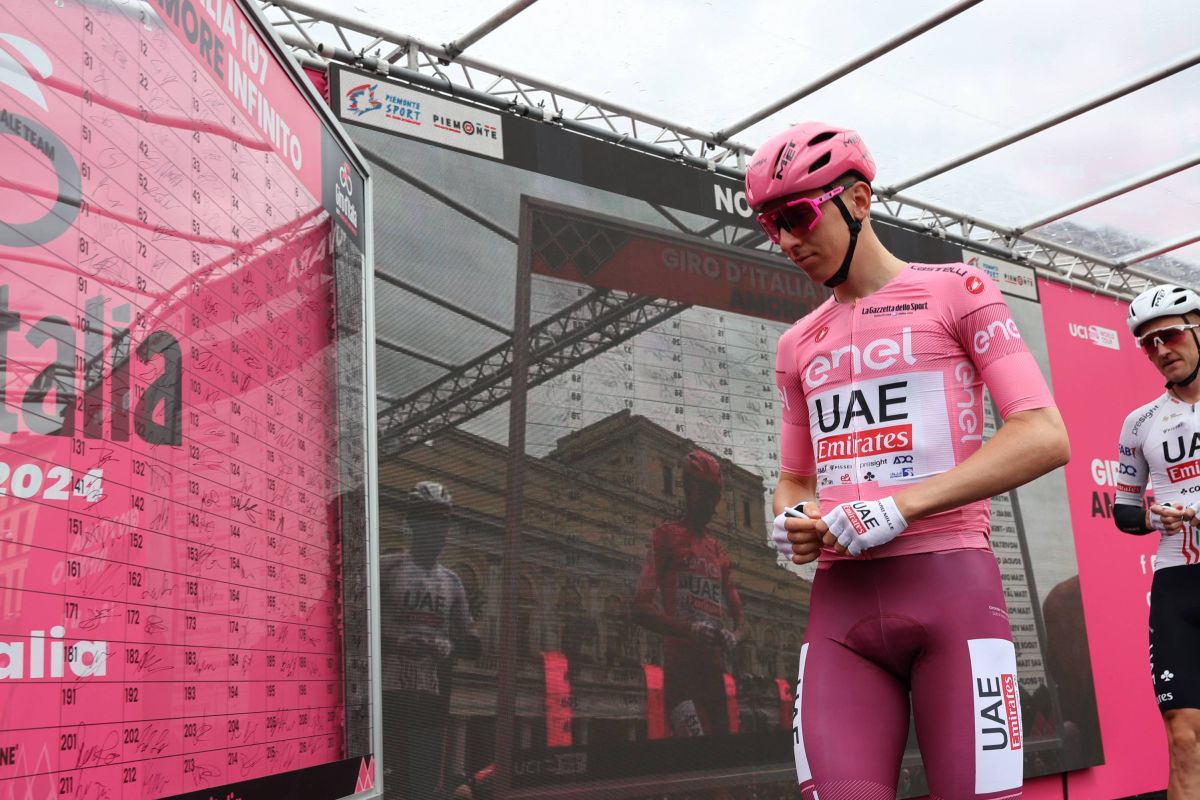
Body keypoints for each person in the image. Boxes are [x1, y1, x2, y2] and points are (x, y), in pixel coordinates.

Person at [751, 122, 1071, 799]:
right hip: (839, 611)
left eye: (798, 216)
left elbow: (1043, 434)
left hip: (953, 593)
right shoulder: (796, 344)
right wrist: (794, 518)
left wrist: (900, 507)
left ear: (858, 200)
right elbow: (795, 479)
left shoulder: (959, 290)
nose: (786, 240)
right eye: (770, 225)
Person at [1113, 284, 1200, 800]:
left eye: (1170, 335)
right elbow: (1124, 511)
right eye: (1149, 343)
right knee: (1184, 736)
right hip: (1176, 586)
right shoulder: (1139, 423)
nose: (1162, 349)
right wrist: (1152, 518)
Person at [633, 449, 749, 737]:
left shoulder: (718, 552)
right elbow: (640, 607)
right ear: (687, 489)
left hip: (714, 675)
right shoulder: (666, 536)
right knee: (696, 752)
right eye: (703, 493)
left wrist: (733, 637)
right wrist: (688, 629)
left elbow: (743, 623)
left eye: (714, 495)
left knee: (720, 759)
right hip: (681, 673)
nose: (709, 503)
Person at [380, 481, 481, 800]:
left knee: (422, 784)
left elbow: (473, 644)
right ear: (412, 522)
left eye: (442, 521)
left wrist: (448, 647)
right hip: (387, 692)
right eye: (427, 518)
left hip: (431, 696)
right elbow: (354, 627)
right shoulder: (385, 568)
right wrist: (396, 644)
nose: (435, 528)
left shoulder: (452, 582)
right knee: (388, 780)